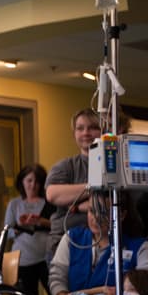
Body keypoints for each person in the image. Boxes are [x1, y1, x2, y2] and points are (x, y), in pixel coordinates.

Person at [48, 191, 148, 295]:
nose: (96, 218)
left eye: (103, 212)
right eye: (92, 211)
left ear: (121, 215)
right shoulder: (72, 239)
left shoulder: (140, 248)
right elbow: (57, 278)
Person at [45, 108, 102, 257]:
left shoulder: (112, 166)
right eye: (80, 128)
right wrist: (95, 185)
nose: (86, 133)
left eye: (93, 127)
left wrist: (76, 206)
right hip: (64, 245)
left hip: (103, 244)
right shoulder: (66, 166)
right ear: (74, 134)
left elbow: (111, 205)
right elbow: (52, 195)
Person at [3, 164, 55, 295]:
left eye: (37, 181)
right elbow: (7, 232)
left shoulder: (50, 202)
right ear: (22, 181)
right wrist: (22, 226)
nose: (33, 185)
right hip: (23, 260)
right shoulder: (14, 204)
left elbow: (60, 226)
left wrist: (42, 222)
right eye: (29, 181)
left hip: (47, 258)